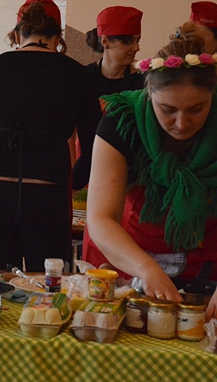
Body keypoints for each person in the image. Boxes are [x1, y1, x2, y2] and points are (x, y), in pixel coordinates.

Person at [0, 0, 98, 273]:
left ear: (18, 33)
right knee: (47, 279)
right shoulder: (77, 75)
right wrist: (75, 180)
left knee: (0, 276)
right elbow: (94, 142)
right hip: (46, 187)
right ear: (59, 36)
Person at [84, 37, 217, 315]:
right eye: (167, 110)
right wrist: (146, 269)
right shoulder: (121, 121)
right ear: (149, 94)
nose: (181, 123)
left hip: (207, 260)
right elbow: (100, 218)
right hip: (129, 254)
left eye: (197, 109)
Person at [75, 6, 145, 188]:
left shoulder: (143, 81)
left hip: (132, 178)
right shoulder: (83, 78)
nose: (136, 48)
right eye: (128, 42)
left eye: (138, 40)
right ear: (105, 41)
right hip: (88, 173)